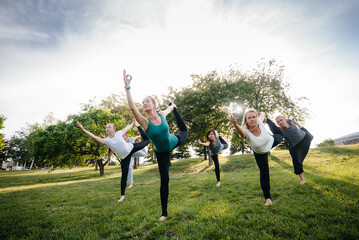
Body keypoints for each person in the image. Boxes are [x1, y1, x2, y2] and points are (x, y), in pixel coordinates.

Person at [123, 69, 188, 221]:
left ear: (153, 104)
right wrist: (127, 88)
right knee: (165, 179)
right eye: (142, 102)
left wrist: (172, 106)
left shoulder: (161, 115)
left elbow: (168, 110)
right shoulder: (145, 122)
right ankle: (164, 212)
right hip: (162, 153)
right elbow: (132, 107)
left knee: (184, 130)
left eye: (147, 101)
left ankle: (176, 108)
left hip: (174, 140)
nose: (144, 103)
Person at [76, 119, 150, 202]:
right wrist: (82, 128)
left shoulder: (119, 133)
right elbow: (94, 137)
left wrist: (133, 124)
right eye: (106, 127)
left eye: (109, 127)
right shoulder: (106, 141)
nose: (107, 129)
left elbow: (127, 128)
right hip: (124, 158)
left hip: (132, 148)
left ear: (114, 129)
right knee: (124, 177)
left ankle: (139, 126)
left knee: (147, 141)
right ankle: (122, 196)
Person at [229, 109, 283, 206]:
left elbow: (262, 114)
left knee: (280, 135)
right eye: (249, 118)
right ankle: (268, 199)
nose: (252, 119)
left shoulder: (260, 121)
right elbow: (241, 133)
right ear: (246, 120)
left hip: (271, 141)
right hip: (260, 153)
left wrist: (261, 116)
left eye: (254, 117)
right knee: (264, 173)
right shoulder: (246, 132)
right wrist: (235, 124)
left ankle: (269, 121)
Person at [275, 116, 313, 184]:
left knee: (310, 136)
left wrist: (295, 122)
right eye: (278, 122)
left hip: (304, 138)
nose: (280, 122)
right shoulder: (280, 131)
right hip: (294, 146)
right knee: (296, 162)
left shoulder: (289, 120)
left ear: (285, 119)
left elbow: (291, 117)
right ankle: (302, 180)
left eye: (281, 120)